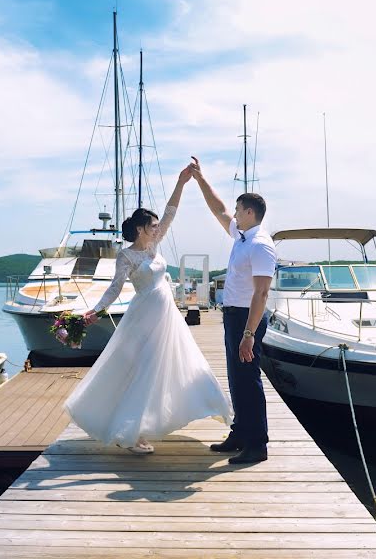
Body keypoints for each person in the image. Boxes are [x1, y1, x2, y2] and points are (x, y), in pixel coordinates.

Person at [64, 165, 232, 454]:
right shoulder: (127, 255)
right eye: (152, 226)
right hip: (143, 317)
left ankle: (210, 405)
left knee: (177, 364)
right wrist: (96, 310)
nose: (158, 228)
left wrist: (181, 182)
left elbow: (170, 212)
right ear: (141, 229)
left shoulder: (155, 245)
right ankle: (133, 432)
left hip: (168, 318)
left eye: (157, 226)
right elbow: (115, 288)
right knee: (143, 371)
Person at [189, 156, 276, 464]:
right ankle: (240, 433)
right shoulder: (242, 235)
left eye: (239, 210)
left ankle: (257, 445)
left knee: (249, 379)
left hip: (247, 319)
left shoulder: (261, 245)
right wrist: (200, 180)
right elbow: (218, 209)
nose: (234, 214)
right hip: (233, 315)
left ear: (249, 212)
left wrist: (249, 334)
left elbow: (262, 293)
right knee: (237, 379)